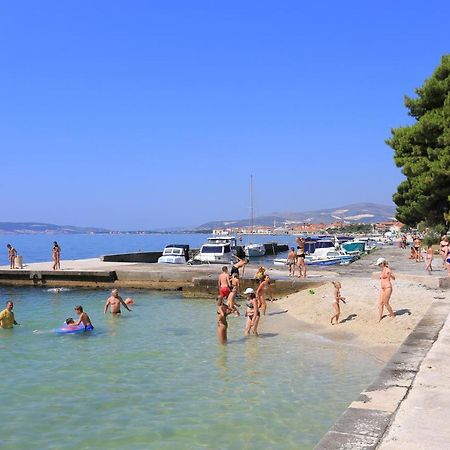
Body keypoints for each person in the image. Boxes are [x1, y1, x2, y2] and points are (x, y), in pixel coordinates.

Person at [377, 258, 396, 322]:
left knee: (385, 302)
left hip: (388, 287)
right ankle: (379, 317)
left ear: (383, 263)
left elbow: (394, 278)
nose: (379, 265)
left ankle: (392, 315)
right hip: (382, 288)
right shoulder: (382, 270)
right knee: (380, 303)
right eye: (378, 264)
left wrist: (390, 275)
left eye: (380, 264)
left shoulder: (388, 270)